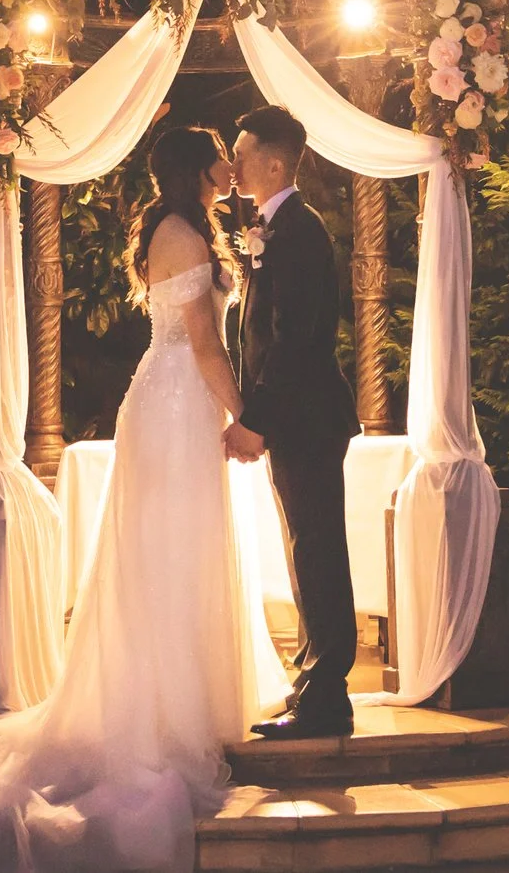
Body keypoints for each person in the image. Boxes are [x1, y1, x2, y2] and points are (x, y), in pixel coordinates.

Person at [0, 126, 286, 873]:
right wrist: (244, 416)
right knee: (166, 552)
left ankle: (195, 692)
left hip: (179, 402)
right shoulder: (178, 231)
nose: (231, 165)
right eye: (223, 153)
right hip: (173, 403)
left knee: (186, 547)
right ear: (199, 166)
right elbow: (200, 340)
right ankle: (158, 706)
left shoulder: (192, 226)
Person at [225, 103, 361, 738]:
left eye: (242, 153)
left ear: (272, 163)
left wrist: (255, 418)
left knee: (319, 550)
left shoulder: (299, 232)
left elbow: (293, 338)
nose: (233, 164)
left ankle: (328, 696)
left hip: (307, 418)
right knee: (305, 548)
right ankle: (313, 679)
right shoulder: (276, 228)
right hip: (297, 420)